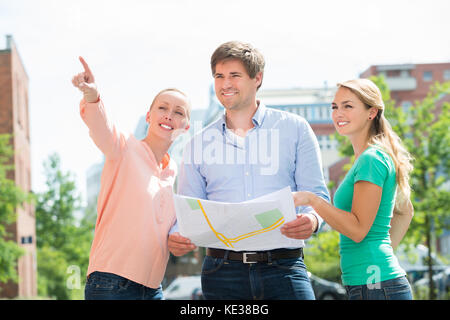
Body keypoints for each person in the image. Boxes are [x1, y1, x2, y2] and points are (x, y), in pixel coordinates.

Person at [168, 41, 330, 300]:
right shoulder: (198, 144)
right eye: (219, 76)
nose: (225, 84)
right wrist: (177, 235)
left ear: (257, 78)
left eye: (235, 75)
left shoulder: (295, 129)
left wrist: (312, 220)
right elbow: (189, 210)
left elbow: (316, 194)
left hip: (284, 268)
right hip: (222, 273)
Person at [71, 57, 191, 300]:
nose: (169, 115)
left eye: (178, 112)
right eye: (162, 108)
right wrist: (93, 97)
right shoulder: (123, 147)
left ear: (186, 126)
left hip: (153, 288)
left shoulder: (173, 172)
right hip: (112, 283)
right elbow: (100, 126)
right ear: (148, 116)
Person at [292, 79, 414, 300]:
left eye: (348, 106)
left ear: (371, 112)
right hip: (373, 281)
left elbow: (358, 230)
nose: (338, 113)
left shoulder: (371, 159)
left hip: (374, 284)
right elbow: (405, 212)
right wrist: (381, 255)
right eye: (335, 107)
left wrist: (313, 200)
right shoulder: (371, 157)